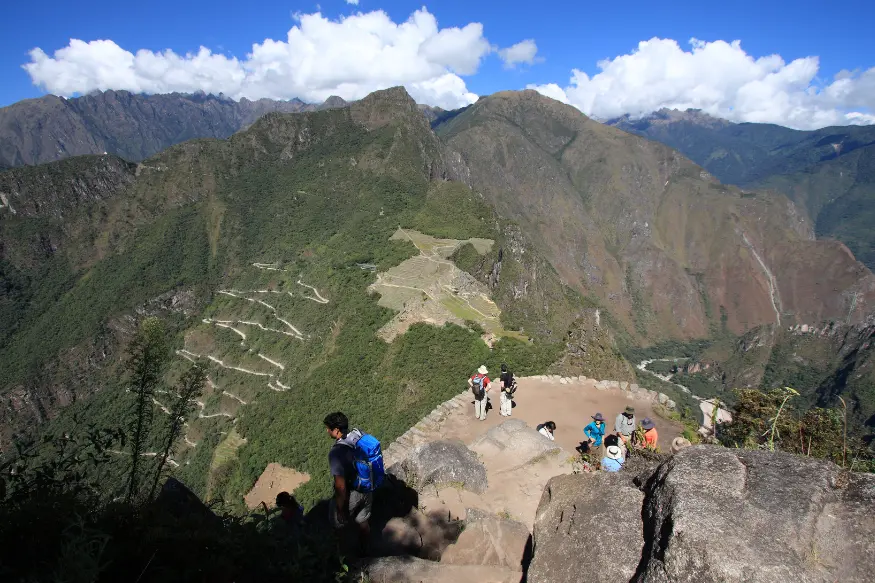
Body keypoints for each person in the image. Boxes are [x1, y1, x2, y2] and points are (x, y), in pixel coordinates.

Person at [324, 411, 377, 554]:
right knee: (363, 520)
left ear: (336, 430)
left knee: (337, 524)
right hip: (367, 487)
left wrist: (340, 510)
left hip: (353, 492)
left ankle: (343, 558)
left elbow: (340, 486)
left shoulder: (336, 453)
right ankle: (366, 550)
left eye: (328, 428)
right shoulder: (359, 435)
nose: (327, 430)